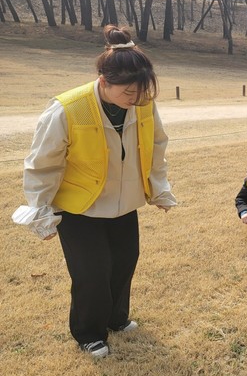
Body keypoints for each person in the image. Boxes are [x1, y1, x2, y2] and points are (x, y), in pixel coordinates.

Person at [11, 25, 177, 358]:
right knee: (92, 272)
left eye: (141, 91)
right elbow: (42, 164)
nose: (135, 99)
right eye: (128, 92)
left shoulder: (142, 103)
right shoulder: (67, 109)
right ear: (104, 82)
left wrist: (158, 189)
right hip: (79, 208)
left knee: (125, 262)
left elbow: (155, 146)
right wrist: (41, 213)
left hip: (124, 204)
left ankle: (116, 318)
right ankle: (88, 332)